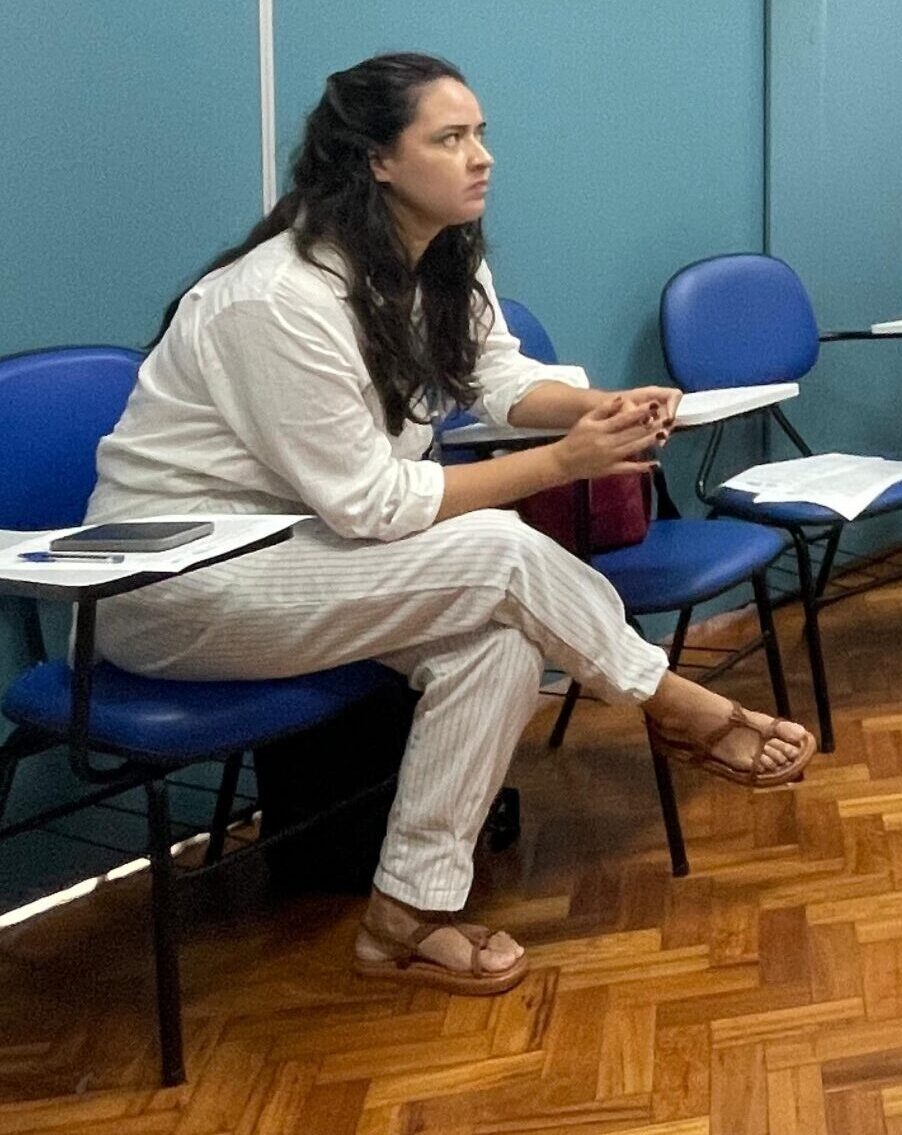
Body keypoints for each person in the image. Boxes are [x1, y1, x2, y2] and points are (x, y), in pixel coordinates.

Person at [86, 53, 814, 996]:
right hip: (178, 588)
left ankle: (406, 916)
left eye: (481, 134)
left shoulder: (436, 259)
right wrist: (561, 465)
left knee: (496, 643)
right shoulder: (277, 298)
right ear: (378, 161)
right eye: (451, 138)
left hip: (307, 557)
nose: (483, 158)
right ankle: (671, 703)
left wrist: (595, 410)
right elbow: (375, 503)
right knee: (500, 549)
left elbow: (499, 379)